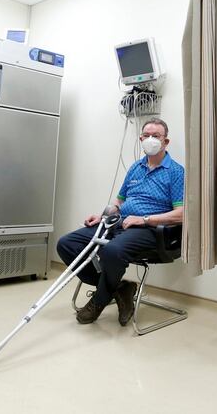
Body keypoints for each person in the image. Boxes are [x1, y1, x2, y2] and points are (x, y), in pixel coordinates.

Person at [57, 118, 184, 326]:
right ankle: (118, 289)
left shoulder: (176, 172)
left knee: (112, 251)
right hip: (120, 222)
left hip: (149, 230)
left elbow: (181, 213)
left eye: (156, 136)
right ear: (141, 138)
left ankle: (99, 300)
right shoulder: (136, 167)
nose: (150, 139)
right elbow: (119, 200)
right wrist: (103, 215)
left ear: (166, 142)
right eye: (146, 136)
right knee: (67, 244)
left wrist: (144, 219)